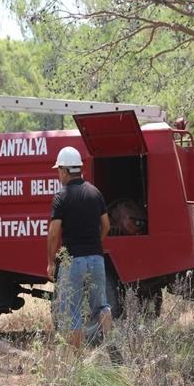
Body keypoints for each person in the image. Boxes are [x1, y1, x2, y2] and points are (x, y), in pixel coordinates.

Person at [47, 146, 112, 349]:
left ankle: (77, 358)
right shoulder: (95, 193)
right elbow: (106, 225)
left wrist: (51, 262)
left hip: (73, 260)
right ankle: (111, 347)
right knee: (101, 305)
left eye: (59, 170)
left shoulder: (61, 196)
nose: (58, 175)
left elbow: (54, 233)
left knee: (72, 311)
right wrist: (95, 244)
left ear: (65, 170)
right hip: (96, 258)